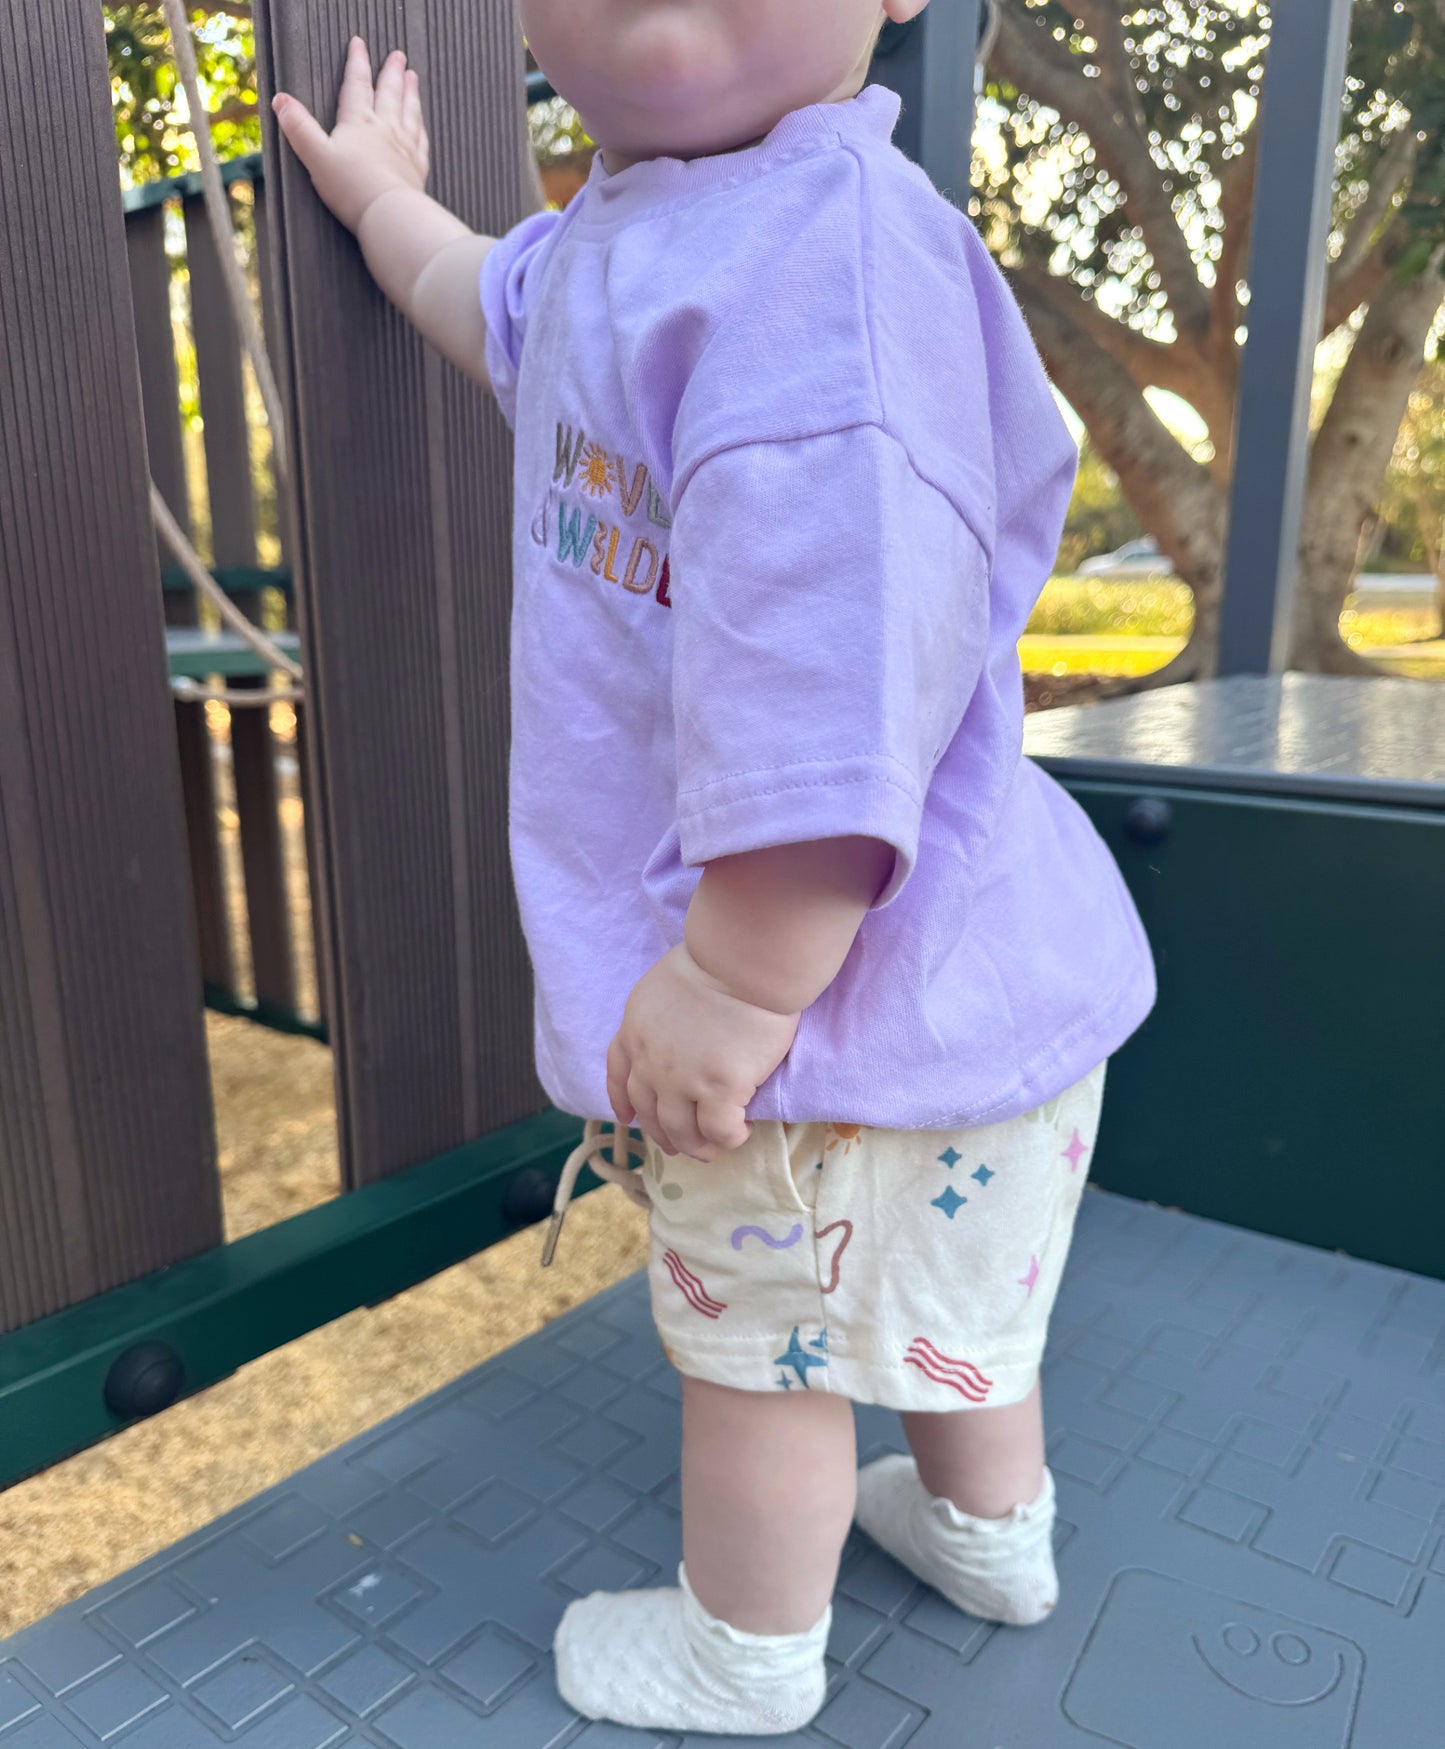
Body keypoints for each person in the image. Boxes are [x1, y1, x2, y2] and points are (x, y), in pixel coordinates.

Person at [272, 3, 1155, 1733]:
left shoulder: (821, 281)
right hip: (965, 999)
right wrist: (385, 204)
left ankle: (743, 1651)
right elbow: (491, 304)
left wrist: (732, 981)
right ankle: (994, 1531)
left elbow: (836, 686)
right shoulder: (642, 237)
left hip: (820, 1013)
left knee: (762, 1352)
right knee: (957, 1300)